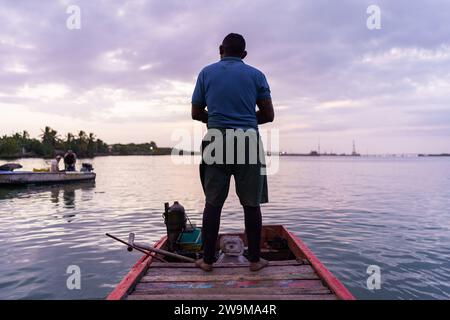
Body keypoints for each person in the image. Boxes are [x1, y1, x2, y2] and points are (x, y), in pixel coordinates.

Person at [191, 33, 275, 272]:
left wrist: (218, 121)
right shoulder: (257, 75)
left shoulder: (206, 73)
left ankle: (207, 261)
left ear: (221, 50)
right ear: (244, 55)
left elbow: (196, 112)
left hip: (216, 139)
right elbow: (268, 115)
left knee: (212, 203)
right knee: (251, 204)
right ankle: (255, 261)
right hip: (248, 140)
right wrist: (245, 121)